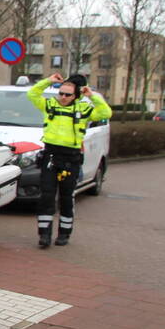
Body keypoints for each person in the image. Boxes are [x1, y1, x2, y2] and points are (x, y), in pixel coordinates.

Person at [27, 72, 112, 248]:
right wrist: (48, 81)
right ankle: (44, 235)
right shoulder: (49, 105)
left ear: (76, 95)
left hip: (70, 158)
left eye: (68, 94)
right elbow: (32, 94)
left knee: (66, 197)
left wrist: (92, 96)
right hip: (51, 155)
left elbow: (105, 112)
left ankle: (64, 234)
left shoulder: (83, 109)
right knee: (47, 196)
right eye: (61, 93)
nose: (63, 97)